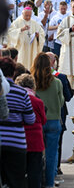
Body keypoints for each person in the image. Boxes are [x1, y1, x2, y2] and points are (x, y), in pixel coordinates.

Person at [0, 57, 36, 188]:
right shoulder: (21, 93)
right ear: (14, 72)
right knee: (17, 181)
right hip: (16, 141)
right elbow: (30, 119)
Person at [31, 52, 64, 188]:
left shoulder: (32, 81)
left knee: (36, 155)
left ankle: (37, 182)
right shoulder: (56, 82)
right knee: (51, 155)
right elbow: (61, 102)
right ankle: (49, 183)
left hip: (37, 121)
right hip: (53, 120)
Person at [15, 73, 46, 188]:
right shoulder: (38, 102)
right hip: (36, 141)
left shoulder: (17, 99)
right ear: (33, 86)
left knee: (19, 172)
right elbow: (43, 120)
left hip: (20, 139)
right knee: (35, 172)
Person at [46, 52, 73, 177]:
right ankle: (56, 167)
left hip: (42, 113)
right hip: (58, 113)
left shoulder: (35, 75)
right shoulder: (60, 77)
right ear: (53, 62)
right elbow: (67, 97)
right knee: (57, 141)